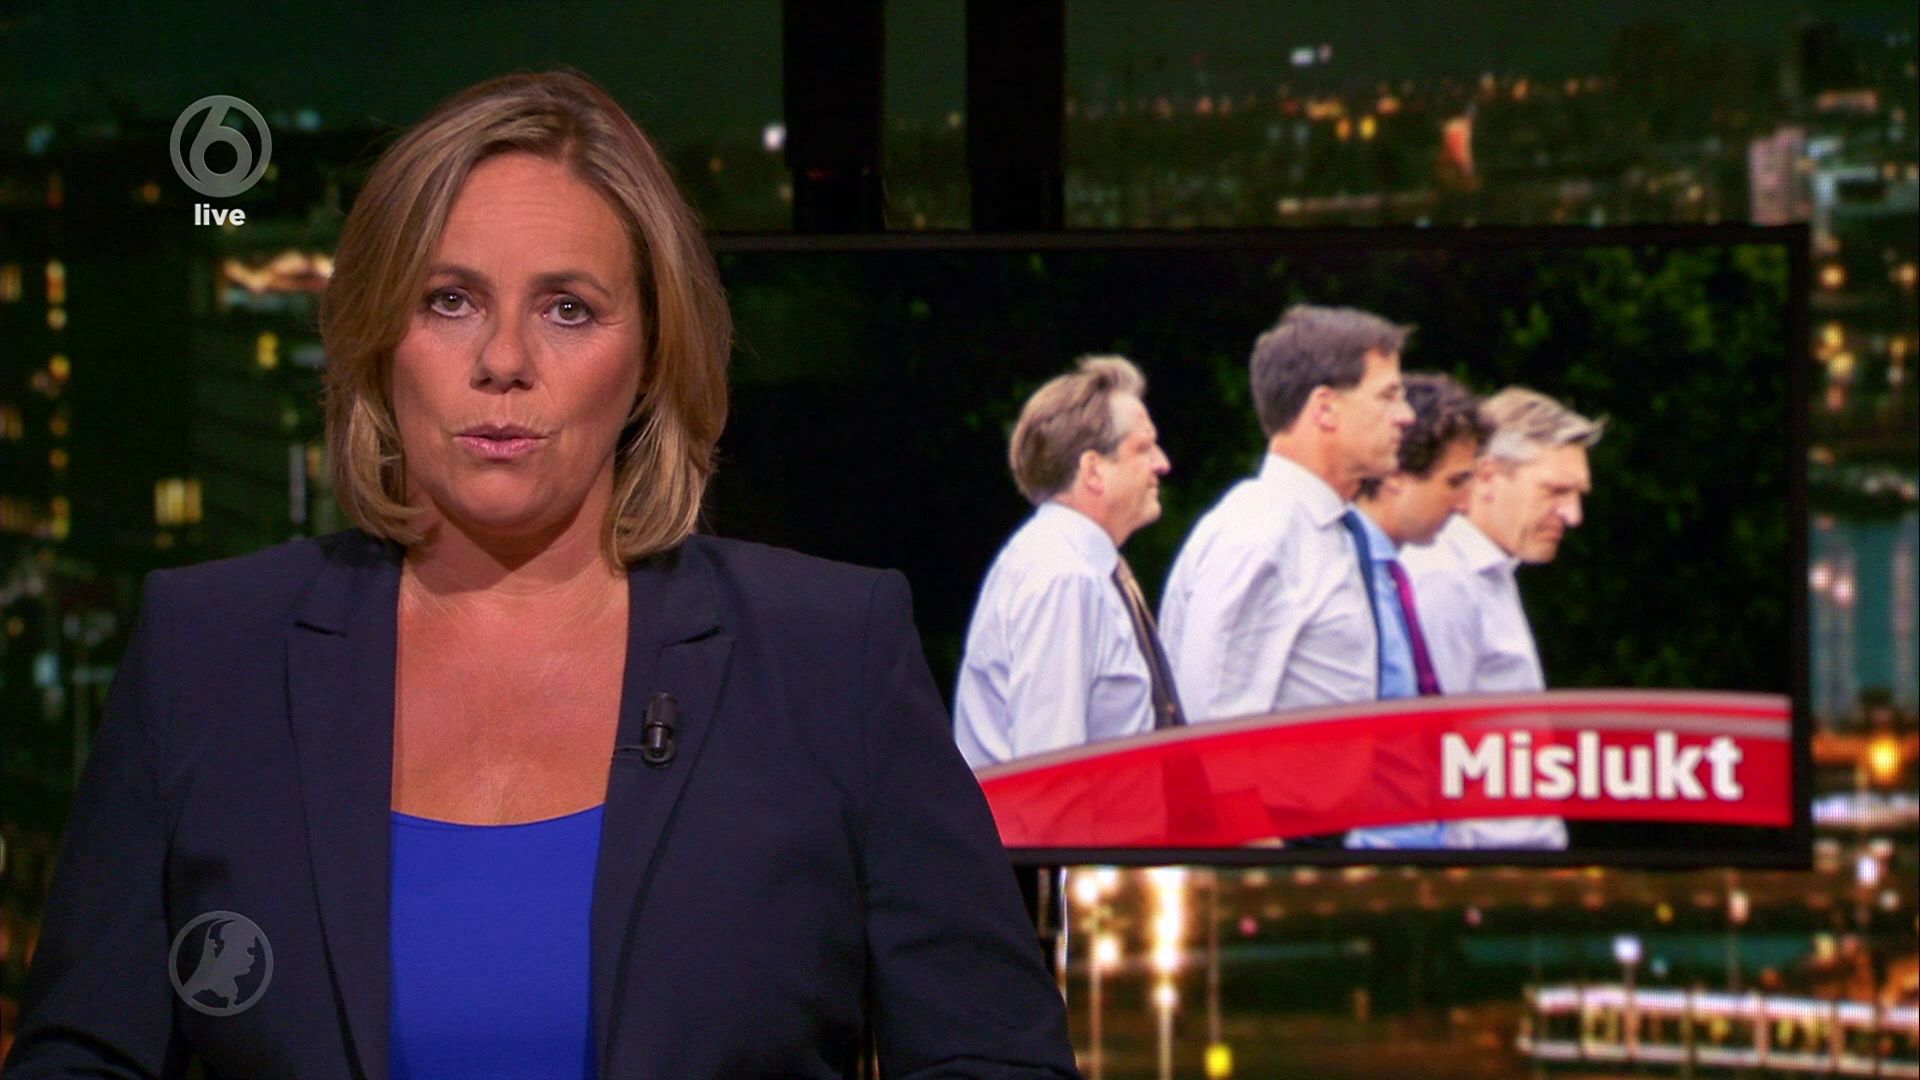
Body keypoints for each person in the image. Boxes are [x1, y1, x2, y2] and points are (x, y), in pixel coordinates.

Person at [4, 72, 1077, 1080]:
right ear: (376, 338)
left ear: (650, 356)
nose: (505, 361)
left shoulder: (829, 653)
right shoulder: (205, 651)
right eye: (449, 300)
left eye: (568, 308)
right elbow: (81, 1058)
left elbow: (994, 1057)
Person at [1160, 304, 1414, 723]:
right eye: (1388, 396)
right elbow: (1214, 731)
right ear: (1325, 408)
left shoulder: (1326, 528)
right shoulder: (1260, 534)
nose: (1406, 416)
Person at [1400, 386, 1604, 850]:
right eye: (1556, 491)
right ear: (1487, 477)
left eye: (1577, 495)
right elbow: (1418, 765)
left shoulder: (1490, 572)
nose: (1573, 515)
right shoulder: (1442, 579)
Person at [954, 356, 1179, 767]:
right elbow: (1051, 777)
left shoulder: (1069, 565)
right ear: (1092, 470)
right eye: (1143, 448)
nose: (1162, 463)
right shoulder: (1063, 576)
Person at [1343, 373, 1489, 849]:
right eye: (1455, 482)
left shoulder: (1388, 575)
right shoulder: (1345, 576)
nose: (1465, 505)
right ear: (1394, 477)